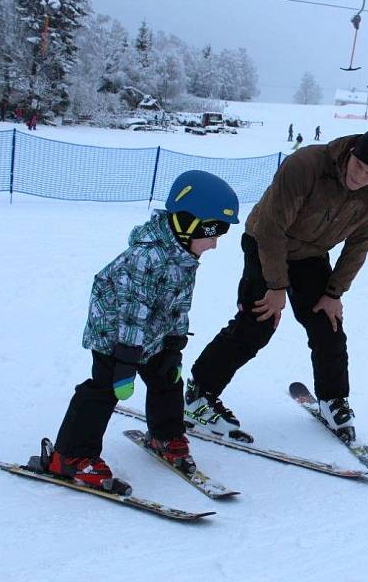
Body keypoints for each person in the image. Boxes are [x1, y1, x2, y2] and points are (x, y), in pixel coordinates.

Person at [183, 126, 368, 443]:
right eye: (358, 167)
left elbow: (361, 242)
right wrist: (276, 287)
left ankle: (333, 400)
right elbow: (272, 227)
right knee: (258, 322)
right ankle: (199, 394)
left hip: (311, 254)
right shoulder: (307, 165)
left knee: (328, 323)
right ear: (351, 152)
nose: (361, 177)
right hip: (265, 243)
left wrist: (333, 293)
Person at [44, 170, 240, 491]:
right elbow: (133, 313)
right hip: (115, 334)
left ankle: (165, 436)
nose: (216, 242)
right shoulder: (146, 257)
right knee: (105, 388)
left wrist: (174, 347)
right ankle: (70, 456)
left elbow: (179, 305)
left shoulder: (183, 257)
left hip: (154, 334)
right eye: (212, 230)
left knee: (166, 377)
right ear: (186, 222)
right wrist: (125, 363)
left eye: (222, 232)